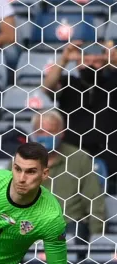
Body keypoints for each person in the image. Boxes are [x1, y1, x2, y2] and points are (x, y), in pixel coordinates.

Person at [43, 41, 117, 179]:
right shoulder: (69, 83)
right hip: (73, 153)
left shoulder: (113, 83)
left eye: (96, 61)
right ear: (77, 63)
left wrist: (113, 60)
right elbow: (47, 87)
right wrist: (64, 59)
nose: (90, 65)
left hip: (109, 155)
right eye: (86, 60)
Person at [30, 111, 106, 241]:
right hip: (31, 224)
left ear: (61, 133)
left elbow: (94, 200)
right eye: (41, 132)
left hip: (69, 224)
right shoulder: (23, 159)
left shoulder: (79, 158)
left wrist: (97, 238)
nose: (46, 136)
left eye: (51, 132)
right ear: (34, 134)